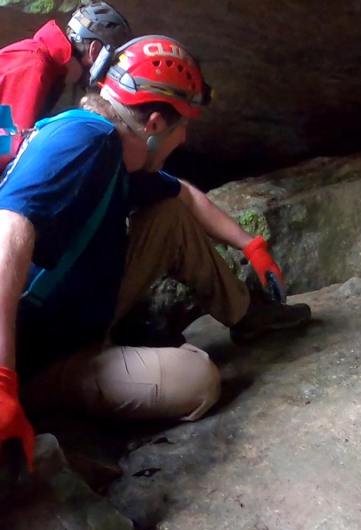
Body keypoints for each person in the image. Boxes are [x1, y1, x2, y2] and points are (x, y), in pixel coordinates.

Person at [0, 35, 310, 471]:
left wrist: (250, 244)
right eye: (183, 124)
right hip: (41, 354)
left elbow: (180, 194)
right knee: (199, 380)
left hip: (78, 312)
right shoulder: (83, 140)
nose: (184, 138)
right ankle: (46, 398)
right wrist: (4, 379)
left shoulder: (114, 152)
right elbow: (8, 226)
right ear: (154, 124)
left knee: (166, 213)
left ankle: (246, 316)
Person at [0, 1, 132, 171]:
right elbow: (8, 148)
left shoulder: (49, 68)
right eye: (111, 64)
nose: (109, 75)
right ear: (95, 51)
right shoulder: (35, 65)